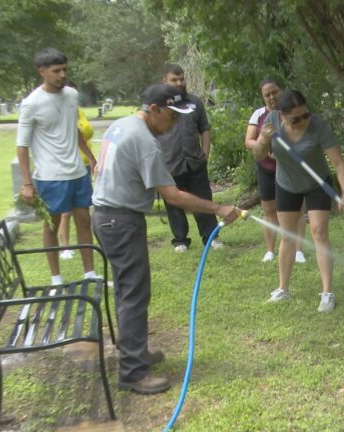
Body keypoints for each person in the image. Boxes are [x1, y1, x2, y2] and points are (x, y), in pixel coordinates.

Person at [92, 83, 239, 394]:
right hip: (120, 220)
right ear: (154, 110)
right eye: (172, 116)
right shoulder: (144, 141)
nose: (175, 123)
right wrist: (219, 207)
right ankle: (132, 372)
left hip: (107, 217)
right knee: (134, 293)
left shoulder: (120, 125)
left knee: (126, 288)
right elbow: (173, 196)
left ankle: (134, 352)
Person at [253, 90, 344, 313]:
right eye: (296, 118)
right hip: (286, 183)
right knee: (287, 236)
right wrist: (263, 139)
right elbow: (259, 155)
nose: (303, 121)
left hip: (317, 183)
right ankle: (283, 289)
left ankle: (327, 293)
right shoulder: (271, 122)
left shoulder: (318, 126)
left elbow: (338, 163)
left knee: (319, 232)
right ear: (282, 115)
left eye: (305, 115)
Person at [16, 48, 98, 285]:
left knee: (84, 220)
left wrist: (91, 158)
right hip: (50, 176)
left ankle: (90, 273)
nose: (62, 75)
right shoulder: (31, 104)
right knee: (51, 225)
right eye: (56, 71)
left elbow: (74, 130)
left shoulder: (72, 95)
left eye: (64, 70)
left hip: (77, 172)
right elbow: (22, 147)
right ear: (42, 72)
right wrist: (27, 184)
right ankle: (56, 278)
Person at [157, 64, 221, 253]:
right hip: (169, 163)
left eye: (182, 79)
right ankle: (180, 241)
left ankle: (211, 237)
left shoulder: (194, 102)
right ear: (165, 81)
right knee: (174, 202)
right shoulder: (159, 106)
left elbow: (205, 129)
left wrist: (205, 154)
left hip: (195, 161)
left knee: (202, 199)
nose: (179, 83)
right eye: (174, 80)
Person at [244, 79, 307, 263]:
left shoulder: (292, 111)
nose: (272, 97)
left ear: (281, 91)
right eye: (267, 94)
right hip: (266, 168)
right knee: (268, 209)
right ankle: (270, 250)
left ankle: (298, 250)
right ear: (263, 97)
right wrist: (263, 146)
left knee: (297, 209)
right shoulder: (258, 115)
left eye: (275, 92)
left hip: (290, 169)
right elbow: (249, 140)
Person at [58, 81, 94, 260]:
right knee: (65, 211)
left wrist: (93, 159)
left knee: (82, 211)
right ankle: (64, 247)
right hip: (67, 165)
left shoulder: (78, 111)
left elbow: (83, 135)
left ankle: (85, 247)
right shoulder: (61, 113)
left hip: (84, 164)